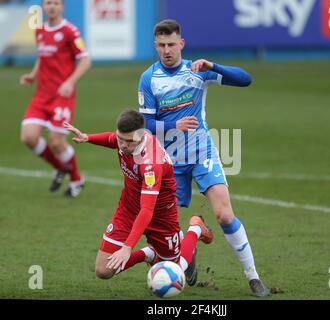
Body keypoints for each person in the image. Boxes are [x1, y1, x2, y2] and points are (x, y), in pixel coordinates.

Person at [138, 19, 269, 296]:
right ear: (155, 46)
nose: (167, 50)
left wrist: (214, 66)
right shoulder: (149, 78)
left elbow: (246, 80)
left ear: (181, 44)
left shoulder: (197, 71)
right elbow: (145, 125)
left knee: (223, 214)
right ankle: (192, 239)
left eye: (171, 44)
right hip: (169, 162)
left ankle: (253, 277)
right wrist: (174, 126)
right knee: (163, 232)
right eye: (161, 45)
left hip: (201, 152)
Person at [63, 109, 213, 280]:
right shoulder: (125, 140)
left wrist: (128, 247)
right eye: (121, 139)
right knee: (103, 270)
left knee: (174, 271)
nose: (122, 145)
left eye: (128, 142)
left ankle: (195, 229)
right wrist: (87, 137)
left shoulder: (150, 163)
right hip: (128, 210)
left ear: (141, 136)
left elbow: (147, 209)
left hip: (160, 215)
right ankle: (148, 254)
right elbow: (112, 139)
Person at [19, 0, 91, 197]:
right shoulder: (40, 30)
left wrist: (70, 82)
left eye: (56, 3)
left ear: (62, 7)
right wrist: (32, 75)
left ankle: (76, 178)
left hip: (62, 96)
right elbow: (41, 57)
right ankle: (60, 167)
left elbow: (85, 60)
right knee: (28, 137)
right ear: (43, 6)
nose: (52, 6)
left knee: (57, 142)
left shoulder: (70, 31)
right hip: (41, 95)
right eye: (48, 2)